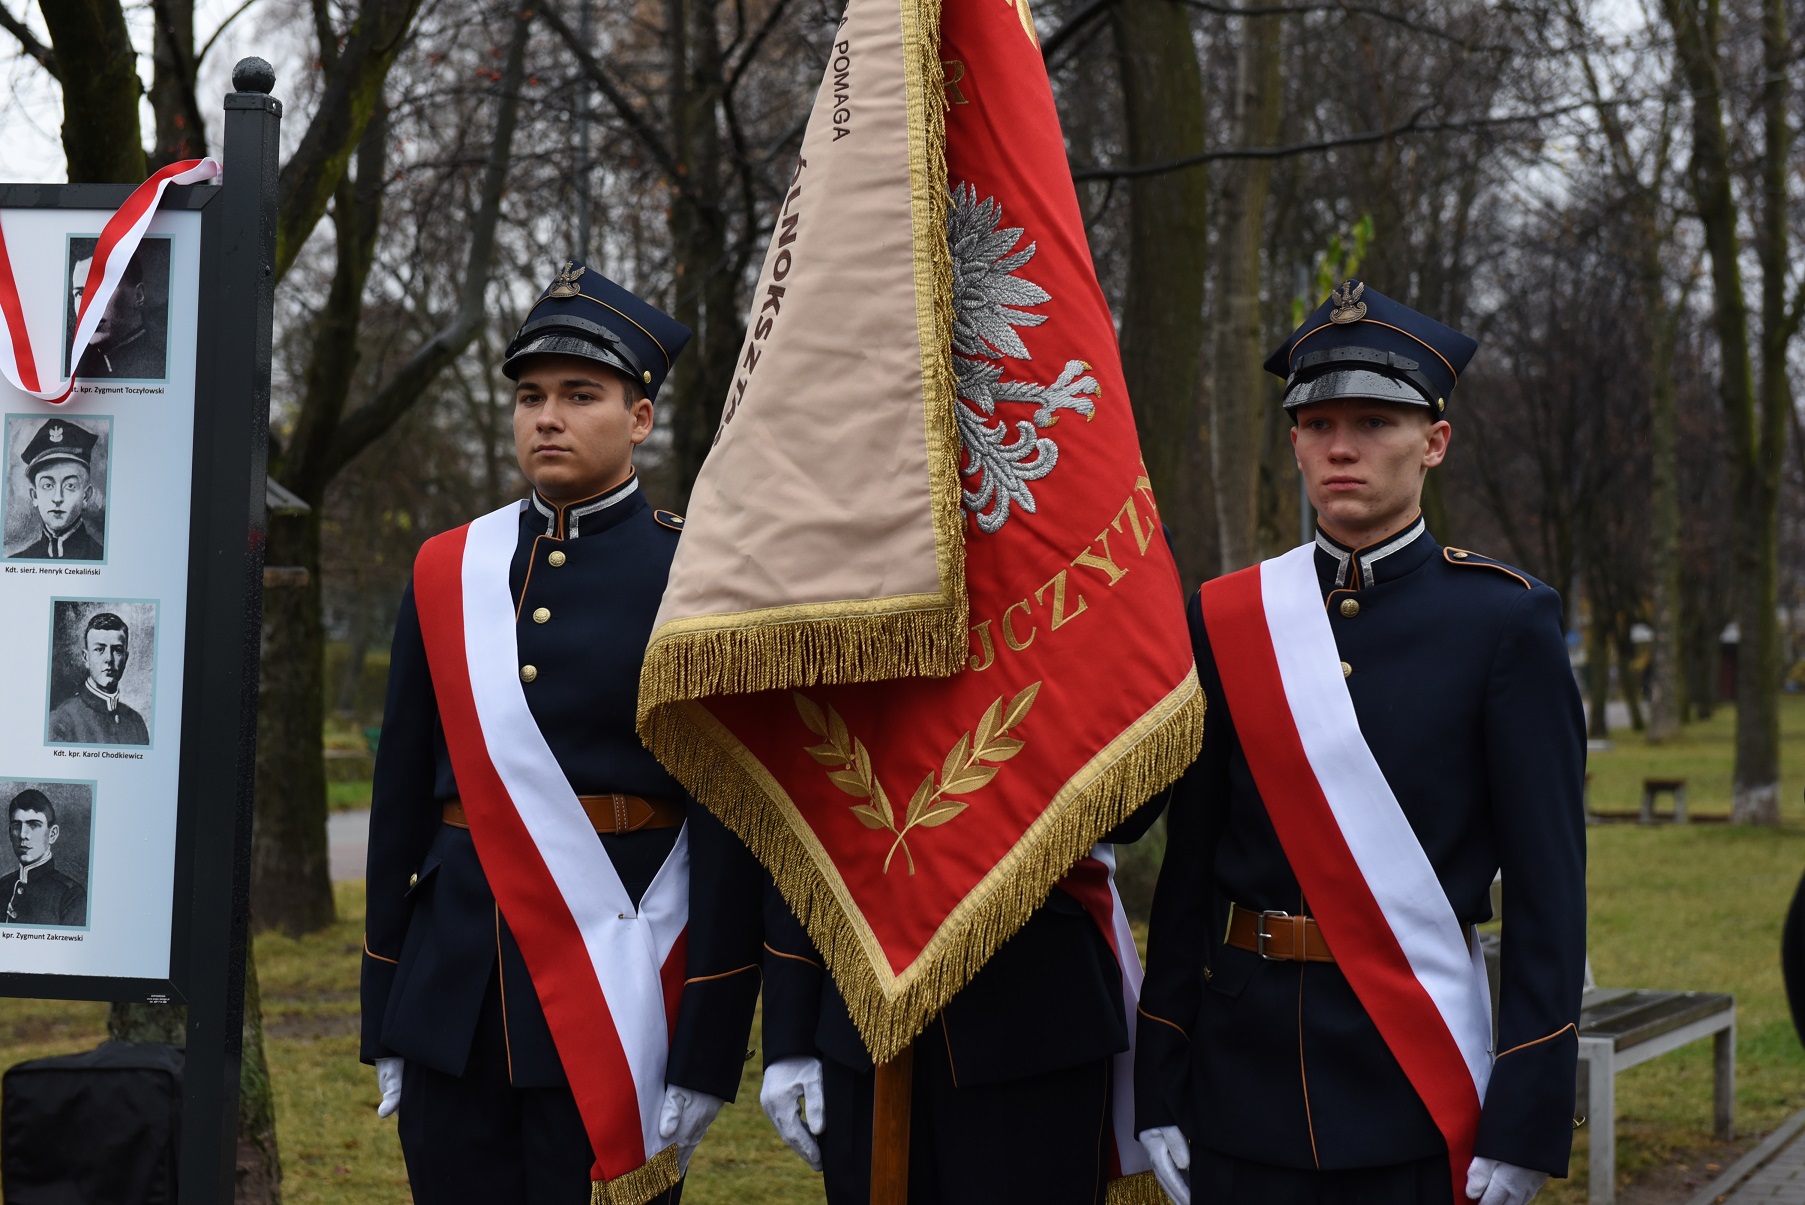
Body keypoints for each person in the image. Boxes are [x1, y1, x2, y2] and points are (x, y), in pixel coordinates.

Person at [1134, 282, 1586, 1205]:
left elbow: (1549, 891)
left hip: (1410, 1077)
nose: (1342, 445)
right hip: (1239, 1078)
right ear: (1294, 439)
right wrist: (1161, 1077)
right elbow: (1188, 871)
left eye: (1376, 420)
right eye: (1317, 420)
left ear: (1435, 442)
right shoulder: (1228, 616)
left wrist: (1526, 1111)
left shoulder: (1505, 622)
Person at [359, 260, 764, 1205]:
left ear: (639, 418)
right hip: (453, 993)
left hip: (615, 985)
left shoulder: (698, 578)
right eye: (531, 396)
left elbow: (733, 828)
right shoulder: (446, 571)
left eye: (581, 395)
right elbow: (398, 805)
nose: (547, 416)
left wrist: (708, 1042)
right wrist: (385, 1004)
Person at [758, 799, 1167, 1204]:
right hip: (864, 1024)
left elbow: (1133, 807)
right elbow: (805, 807)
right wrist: (789, 1033)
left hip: (1033, 1025)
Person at [48, 612, 149, 745]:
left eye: (117, 650)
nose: (109, 659)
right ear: (86, 658)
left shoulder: (136, 722)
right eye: (99, 649)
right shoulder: (61, 721)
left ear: (126, 657)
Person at [9, 418, 103, 560]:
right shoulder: (17, 561)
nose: (57, 498)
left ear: (86, 496)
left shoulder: (100, 557)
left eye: (70, 486)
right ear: (34, 496)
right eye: (48, 486)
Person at [70, 250, 164, 380]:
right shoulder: (82, 372)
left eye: (102, 289)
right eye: (80, 294)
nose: (88, 307)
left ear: (138, 296)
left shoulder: (160, 369)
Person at [0, 790, 86, 927]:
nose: (23, 835)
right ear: (10, 833)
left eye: (34, 825)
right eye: (16, 826)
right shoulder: (2, 886)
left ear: (52, 834)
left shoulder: (71, 895)